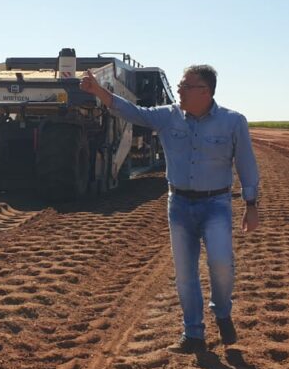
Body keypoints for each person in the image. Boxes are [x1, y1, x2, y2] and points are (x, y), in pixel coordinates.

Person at [80, 64, 259, 352]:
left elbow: (246, 164)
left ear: (205, 91)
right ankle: (194, 335)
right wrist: (99, 91)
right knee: (185, 273)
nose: (179, 91)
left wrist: (251, 204)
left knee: (222, 263)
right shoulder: (168, 116)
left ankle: (222, 312)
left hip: (217, 204)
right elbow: (132, 112)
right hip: (179, 204)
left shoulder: (233, 121)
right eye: (179, 86)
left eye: (185, 86)